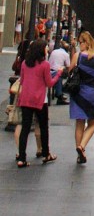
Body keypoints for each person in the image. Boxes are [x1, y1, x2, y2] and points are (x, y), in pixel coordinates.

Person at [16, 38, 62, 166]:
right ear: (41, 50)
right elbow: (49, 83)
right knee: (43, 127)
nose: (47, 49)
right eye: (46, 47)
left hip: (25, 99)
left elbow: (23, 80)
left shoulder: (25, 63)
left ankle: (22, 157)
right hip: (40, 100)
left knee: (25, 128)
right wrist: (58, 74)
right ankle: (46, 153)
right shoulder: (45, 65)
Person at [69, 30, 94, 162]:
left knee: (79, 123)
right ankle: (82, 146)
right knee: (92, 123)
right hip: (93, 93)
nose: (79, 45)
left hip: (79, 93)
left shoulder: (77, 56)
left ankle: (80, 151)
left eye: (80, 43)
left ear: (86, 42)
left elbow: (70, 71)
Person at [49, 38, 70, 105]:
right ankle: (59, 93)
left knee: (59, 75)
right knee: (61, 75)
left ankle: (59, 92)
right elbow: (68, 66)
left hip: (50, 69)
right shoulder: (66, 54)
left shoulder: (54, 51)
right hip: (56, 72)